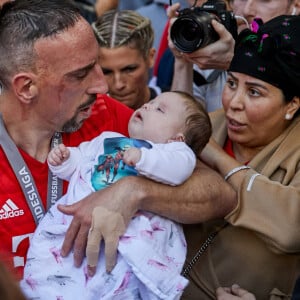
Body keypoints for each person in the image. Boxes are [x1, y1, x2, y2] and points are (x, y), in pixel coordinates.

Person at [59, 14, 300, 299]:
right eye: (232, 83)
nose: (234, 103)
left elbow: (291, 228)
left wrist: (215, 156)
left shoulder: (290, 151)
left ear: (292, 105)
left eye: (255, 93)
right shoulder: (213, 123)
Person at [20, 91, 212, 300]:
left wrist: (145, 158)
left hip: (130, 238)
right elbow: (81, 161)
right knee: (55, 271)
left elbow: (179, 168)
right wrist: (65, 160)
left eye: (159, 109)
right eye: (150, 102)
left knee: (119, 282)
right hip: (75, 228)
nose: (147, 106)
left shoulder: (175, 154)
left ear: (177, 138)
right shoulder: (108, 139)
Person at [0, 0, 134, 279]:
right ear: (26, 88)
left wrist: (133, 192)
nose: (103, 85)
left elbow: (217, 192)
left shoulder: (103, 114)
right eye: (81, 74)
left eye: (97, 64)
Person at [169, 0, 299, 112]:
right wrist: (183, 59)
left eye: (264, 0)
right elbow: (180, 127)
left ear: (296, 6)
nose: (248, 10)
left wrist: (235, 62)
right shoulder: (210, 52)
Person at [92, 9, 160, 110]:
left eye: (129, 69)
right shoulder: (87, 119)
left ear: (150, 57)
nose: (118, 84)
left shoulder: (176, 108)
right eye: (106, 72)